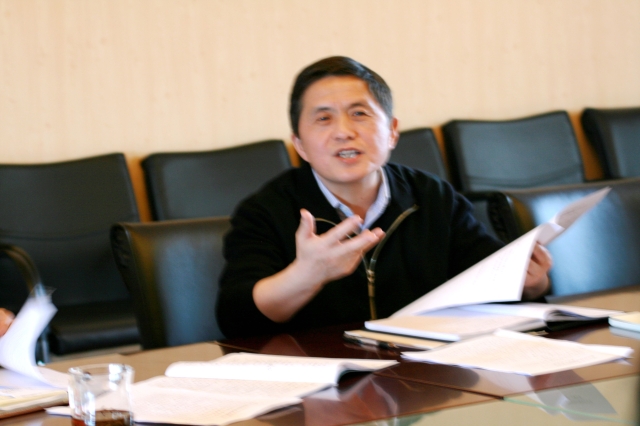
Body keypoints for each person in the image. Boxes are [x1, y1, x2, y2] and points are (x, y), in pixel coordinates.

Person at [216, 56, 552, 338]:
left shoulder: (432, 196)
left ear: (392, 131)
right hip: (325, 381)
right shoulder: (265, 211)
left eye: (359, 114)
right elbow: (236, 319)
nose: (343, 131)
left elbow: (489, 284)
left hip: (425, 379)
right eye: (323, 118)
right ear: (300, 145)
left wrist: (531, 285)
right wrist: (306, 275)